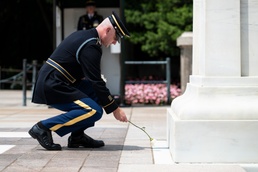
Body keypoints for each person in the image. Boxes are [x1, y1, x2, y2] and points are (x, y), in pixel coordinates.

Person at [28, 11, 130, 150]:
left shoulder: (86, 36)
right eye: (116, 36)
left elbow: (89, 78)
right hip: (52, 85)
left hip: (57, 81)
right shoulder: (91, 45)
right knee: (94, 111)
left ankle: (77, 137)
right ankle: (43, 127)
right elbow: (96, 81)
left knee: (95, 95)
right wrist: (114, 108)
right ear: (107, 30)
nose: (115, 42)